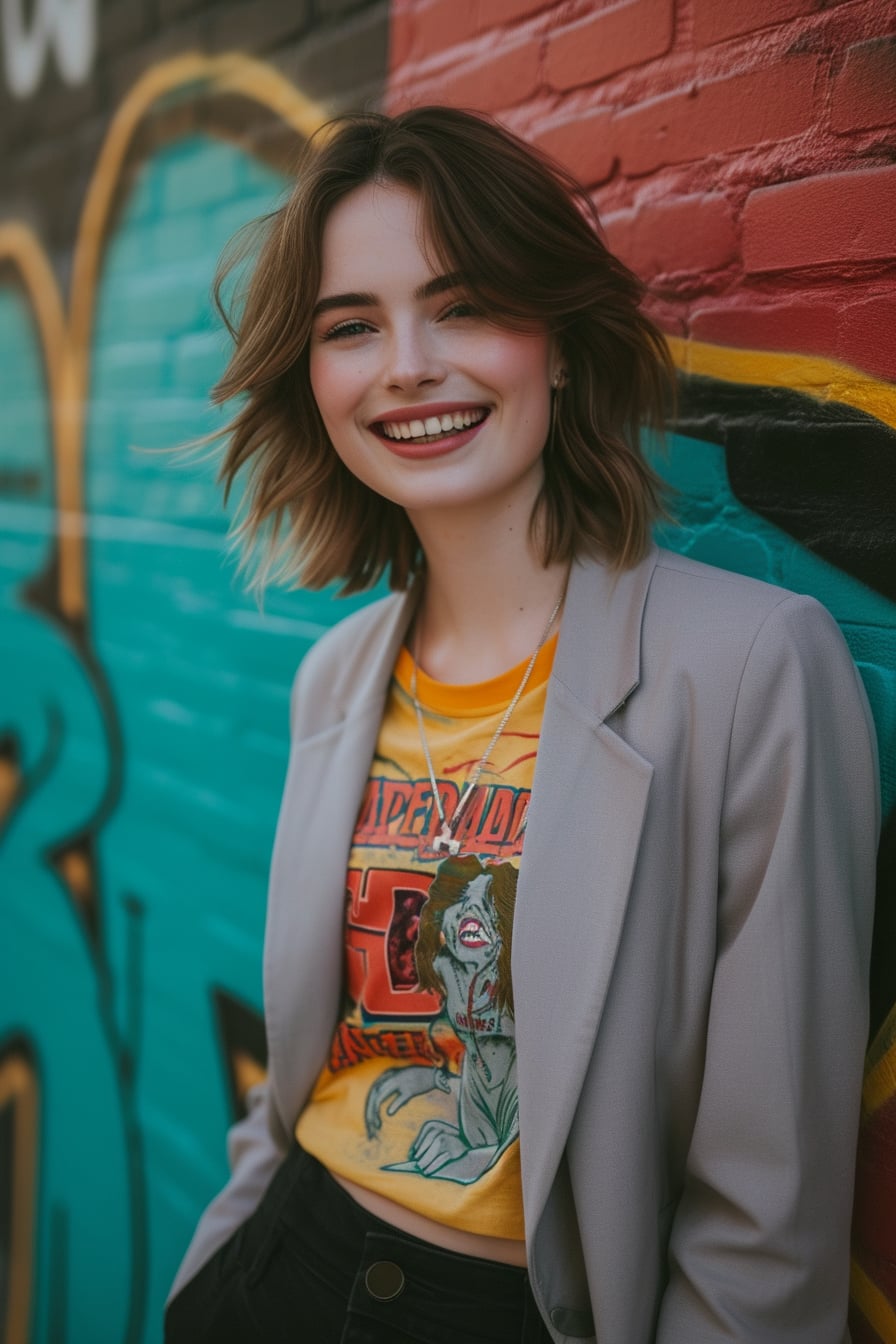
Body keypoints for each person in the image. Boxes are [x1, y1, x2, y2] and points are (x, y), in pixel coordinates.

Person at [164, 107, 879, 1344]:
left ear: (553, 342)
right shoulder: (333, 678)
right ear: (315, 378)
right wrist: (206, 1276)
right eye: (350, 328)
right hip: (284, 1264)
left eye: (463, 305)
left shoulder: (751, 666)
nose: (406, 365)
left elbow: (764, 1219)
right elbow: (299, 1072)